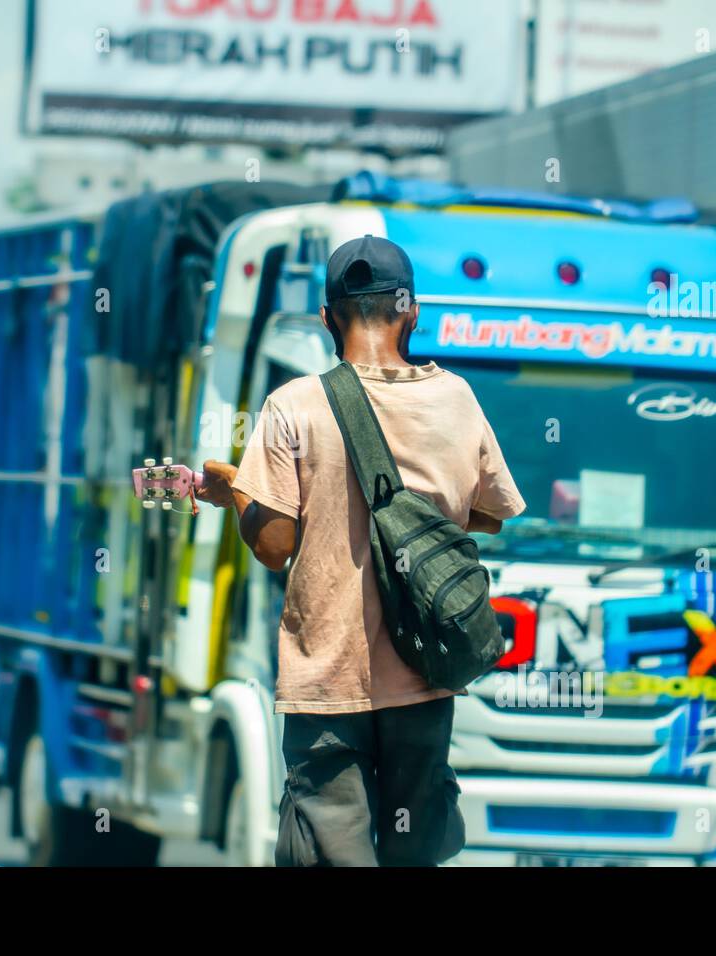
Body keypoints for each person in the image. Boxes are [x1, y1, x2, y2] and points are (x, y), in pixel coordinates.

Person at [196, 235, 526, 866]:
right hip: (427, 673)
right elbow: (488, 515)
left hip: (329, 686)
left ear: (327, 320)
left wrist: (237, 489)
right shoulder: (457, 400)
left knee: (331, 849)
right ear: (412, 313)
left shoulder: (293, 405)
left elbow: (273, 544)